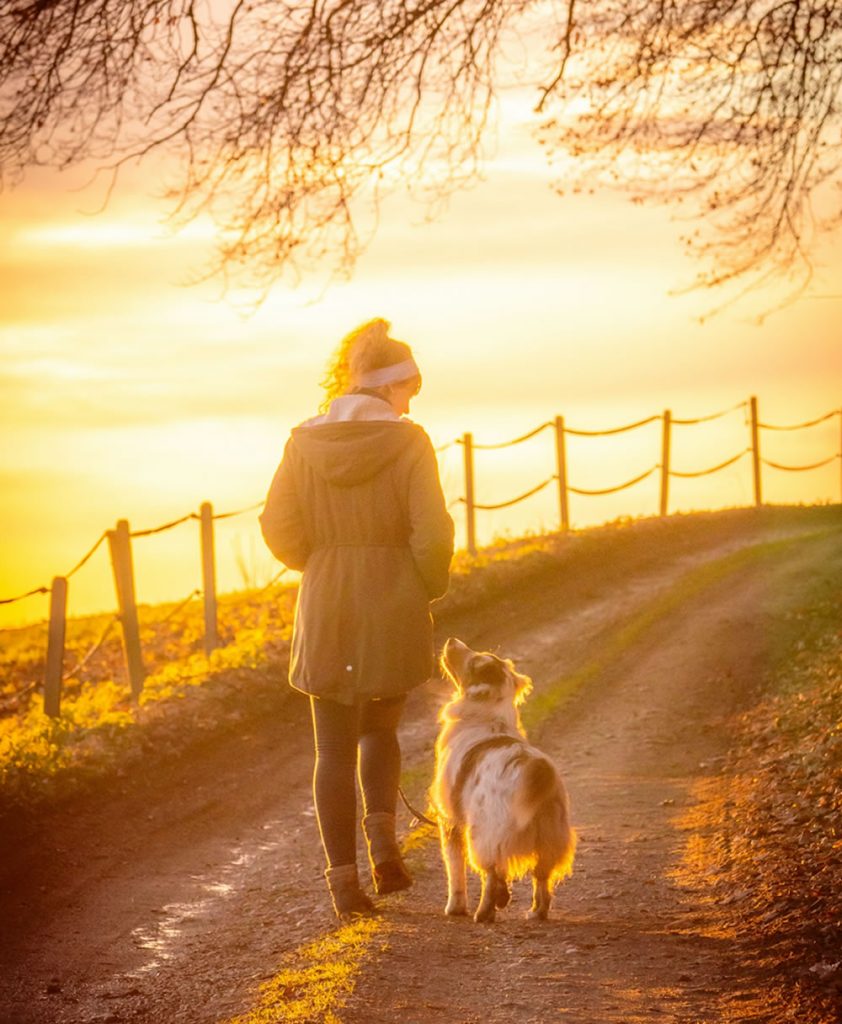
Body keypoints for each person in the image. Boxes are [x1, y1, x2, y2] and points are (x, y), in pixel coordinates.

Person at [259, 318, 454, 918]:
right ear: (395, 387)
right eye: (410, 392)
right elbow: (433, 532)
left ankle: (344, 884)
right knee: (380, 730)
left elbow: (277, 526)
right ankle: (384, 849)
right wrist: (422, 587)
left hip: (326, 601)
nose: (410, 404)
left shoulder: (302, 441)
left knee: (332, 749)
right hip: (391, 601)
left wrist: (319, 563)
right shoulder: (411, 441)